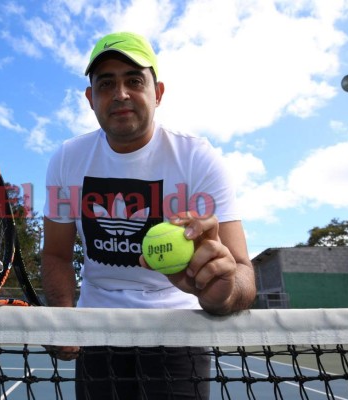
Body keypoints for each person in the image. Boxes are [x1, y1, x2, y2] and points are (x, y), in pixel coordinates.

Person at [41, 31, 257, 400]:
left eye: (134, 80)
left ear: (157, 93)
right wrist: (65, 317)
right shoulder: (66, 159)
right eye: (106, 83)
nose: (120, 93)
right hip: (98, 328)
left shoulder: (197, 159)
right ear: (90, 99)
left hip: (179, 330)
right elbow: (56, 254)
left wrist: (221, 292)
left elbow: (242, 272)